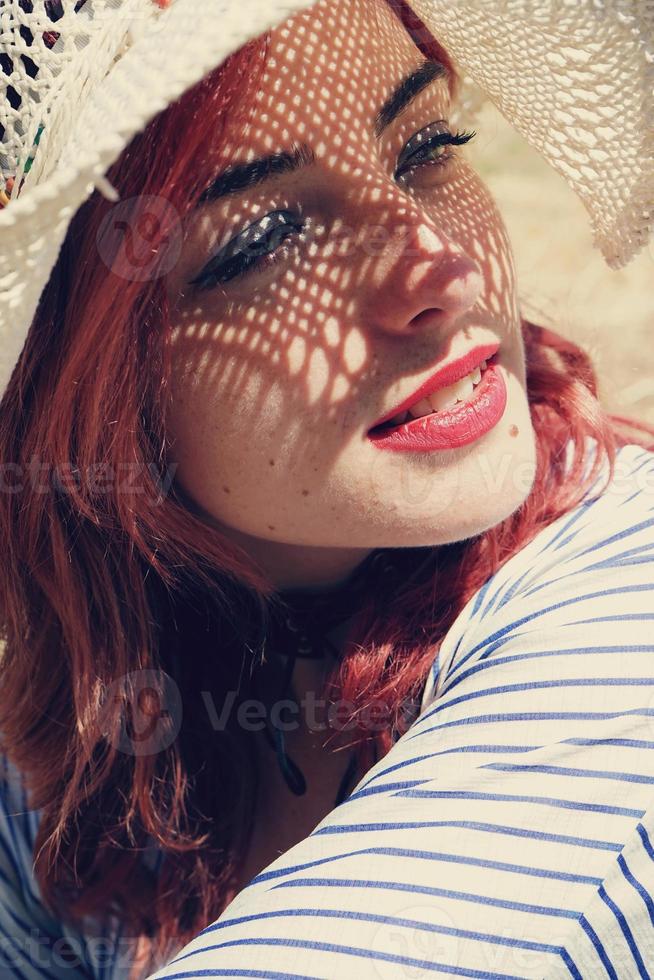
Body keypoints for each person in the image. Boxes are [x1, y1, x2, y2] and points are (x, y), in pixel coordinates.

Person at [0, 0, 652, 977]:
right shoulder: (79, 732)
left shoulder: (621, 620)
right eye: (264, 238)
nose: (442, 266)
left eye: (427, 143)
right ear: (61, 385)